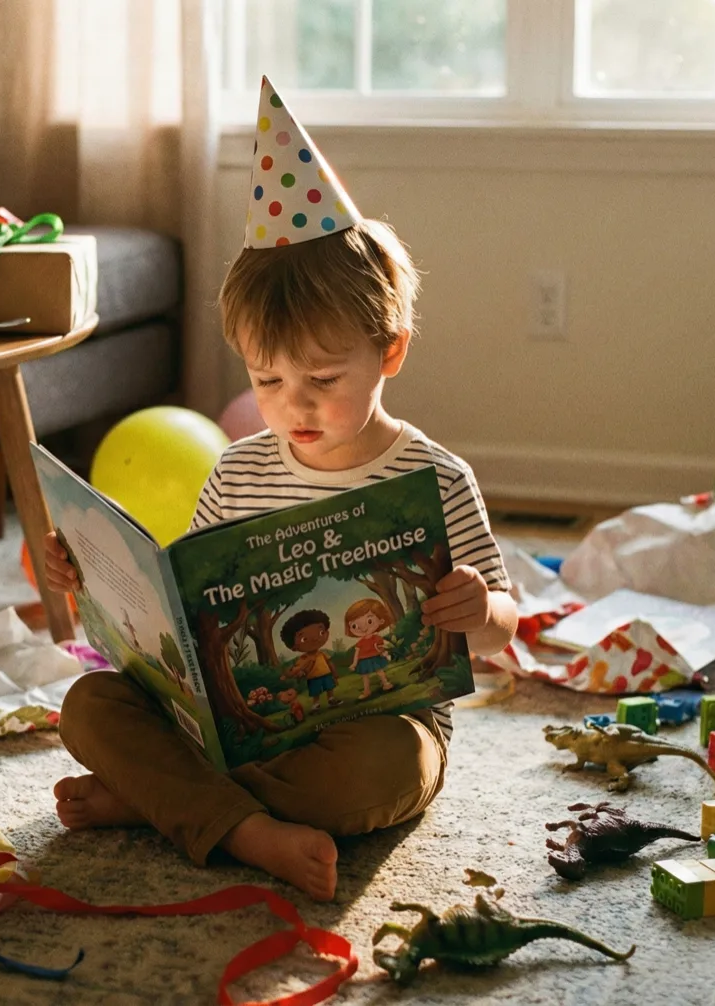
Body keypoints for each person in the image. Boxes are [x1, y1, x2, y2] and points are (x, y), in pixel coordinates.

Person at [41, 77, 518, 902]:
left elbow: (504, 624)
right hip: (233, 729)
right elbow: (185, 613)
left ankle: (171, 805)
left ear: (390, 352)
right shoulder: (238, 469)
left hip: (372, 725)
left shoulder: (432, 476)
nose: (293, 403)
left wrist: (479, 610)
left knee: (386, 771)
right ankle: (242, 824)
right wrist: (95, 583)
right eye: (266, 379)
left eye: (323, 378)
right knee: (87, 705)